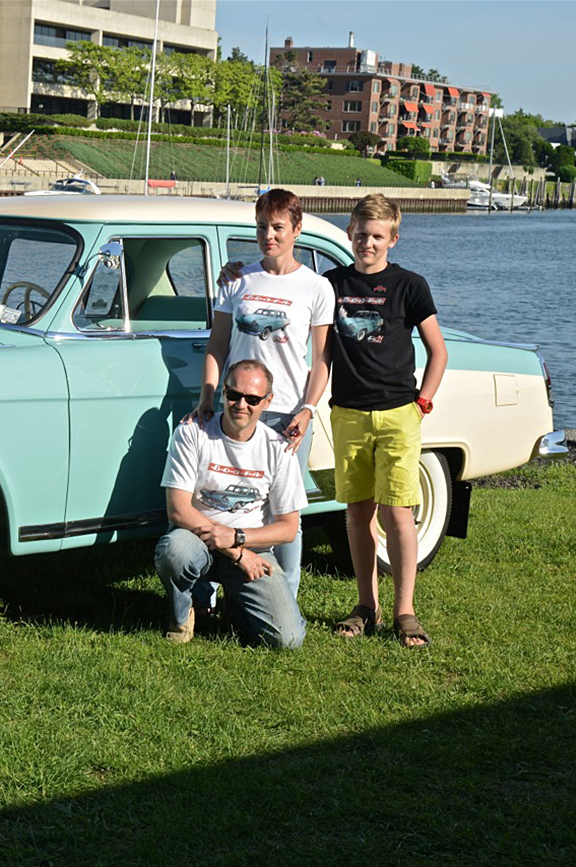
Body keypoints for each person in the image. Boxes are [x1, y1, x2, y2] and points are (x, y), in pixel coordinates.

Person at [190, 188, 333, 600]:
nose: (268, 235)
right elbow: (217, 346)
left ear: (296, 230)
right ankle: (210, 593)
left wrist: (307, 410)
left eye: (278, 228)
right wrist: (208, 397)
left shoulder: (316, 287)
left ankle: (284, 596)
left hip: (285, 413)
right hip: (236, 408)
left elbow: (321, 359)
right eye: (261, 227)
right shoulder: (236, 278)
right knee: (219, 500)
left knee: (284, 513)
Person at [327, 194, 447, 647]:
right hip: (349, 413)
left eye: (377, 236)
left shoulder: (410, 285)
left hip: (399, 413)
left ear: (393, 239)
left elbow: (439, 351)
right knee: (358, 512)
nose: (368, 244)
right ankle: (366, 606)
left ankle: (405, 611)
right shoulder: (331, 282)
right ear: (350, 233)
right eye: (361, 235)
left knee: (399, 513)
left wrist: (422, 403)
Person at [156, 359, 307, 649]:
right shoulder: (192, 433)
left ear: (267, 402)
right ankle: (182, 614)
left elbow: (289, 529)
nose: (241, 404)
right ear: (222, 393)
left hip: (253, 547)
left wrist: (240, 540)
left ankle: (236, 605)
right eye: (233, 394)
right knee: (174, 551)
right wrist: (235, 551)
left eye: (252, 399)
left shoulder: (279, 450)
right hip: (196, 539)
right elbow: (177, 509)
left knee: (288, 640)